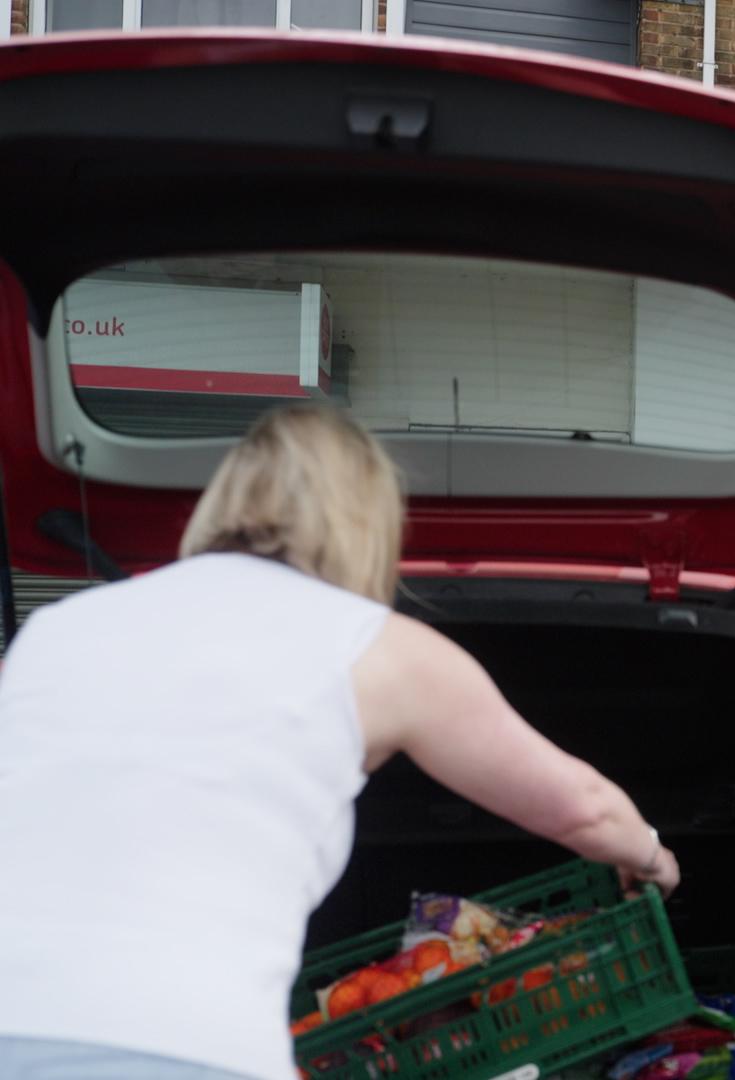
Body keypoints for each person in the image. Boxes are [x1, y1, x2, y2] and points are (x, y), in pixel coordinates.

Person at [0, 405, 679, 1080]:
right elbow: (583, 809)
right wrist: (649, 857)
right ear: (368, 526)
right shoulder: (374, 647)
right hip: (184, 1047)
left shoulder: (57, 629)